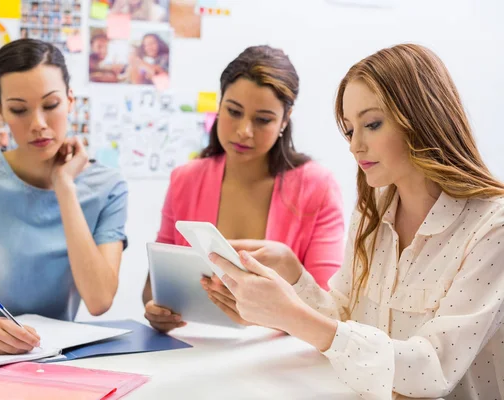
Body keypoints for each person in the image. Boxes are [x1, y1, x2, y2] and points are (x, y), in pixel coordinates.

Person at [208, 43, 504, 399]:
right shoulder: (373, 211)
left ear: (424, 118)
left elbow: (432, 369)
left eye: (372, 124)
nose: (355, 145)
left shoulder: (492, 226)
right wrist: (292, 274)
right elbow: (345, 318)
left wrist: (291, 316)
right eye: (349, 130)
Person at [0, 39, 129, 356]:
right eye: (19, 110)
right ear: (0, 111)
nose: (38, 124)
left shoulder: (108, 187)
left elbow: (99, 301)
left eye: (51, 105)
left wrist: (65, 187)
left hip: (53, 359)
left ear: (71, 100)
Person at [142, 45, 345, 332]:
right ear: (220, 104)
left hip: (280, 360)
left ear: (285, 120)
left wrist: (290, 271)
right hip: (196, 351)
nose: (243, 131)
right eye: (233, 111)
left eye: (262, 120)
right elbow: (153, 290)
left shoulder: (317, 187)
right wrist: (158, 312)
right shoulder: (185, 179)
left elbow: (331, 313)